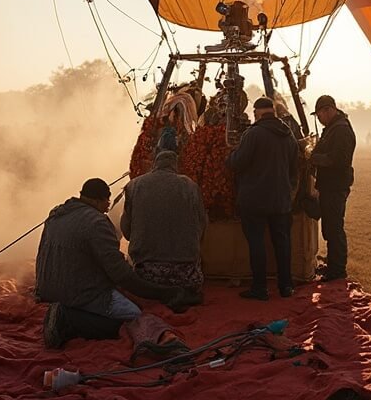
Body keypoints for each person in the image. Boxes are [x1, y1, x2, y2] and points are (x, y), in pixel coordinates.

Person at [35, 178, 195, 347]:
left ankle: (66, 312)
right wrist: (161, 292)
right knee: (132, 317)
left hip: (48, 289)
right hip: (79, 290)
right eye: (107, 202)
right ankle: (68, 320)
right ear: (99, 200)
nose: (107, 207)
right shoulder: (96, 222)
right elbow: (121, 275)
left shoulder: (56, 214)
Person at [226, 96, 299, 300]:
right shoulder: (288, 134)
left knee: (257, 243)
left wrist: (229, 157)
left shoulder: (254, 134)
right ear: (273, 111)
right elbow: (295, 167)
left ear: (258, 112)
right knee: (282, 243)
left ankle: (260, 288)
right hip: (281, 199)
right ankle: (286, 286)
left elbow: (238, 162)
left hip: (255, 199)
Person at [120, 129, 207, 292]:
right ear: (178, 159)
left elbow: (127, 232)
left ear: (155, 157)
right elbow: (202, 227)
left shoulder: (135, 185)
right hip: (186, 278)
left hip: (146, 276)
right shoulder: (190, 187)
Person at [310, 95, 356, 281]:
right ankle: (333, 264)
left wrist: (313, 158)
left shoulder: (341, 130)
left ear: (328, 110)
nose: (319, 118)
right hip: (331, 184)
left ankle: (337, 270)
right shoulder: (333, 128)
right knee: (330, 227)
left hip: (335, 185)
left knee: (334, 228)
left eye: (320, 114)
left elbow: (338, 159)